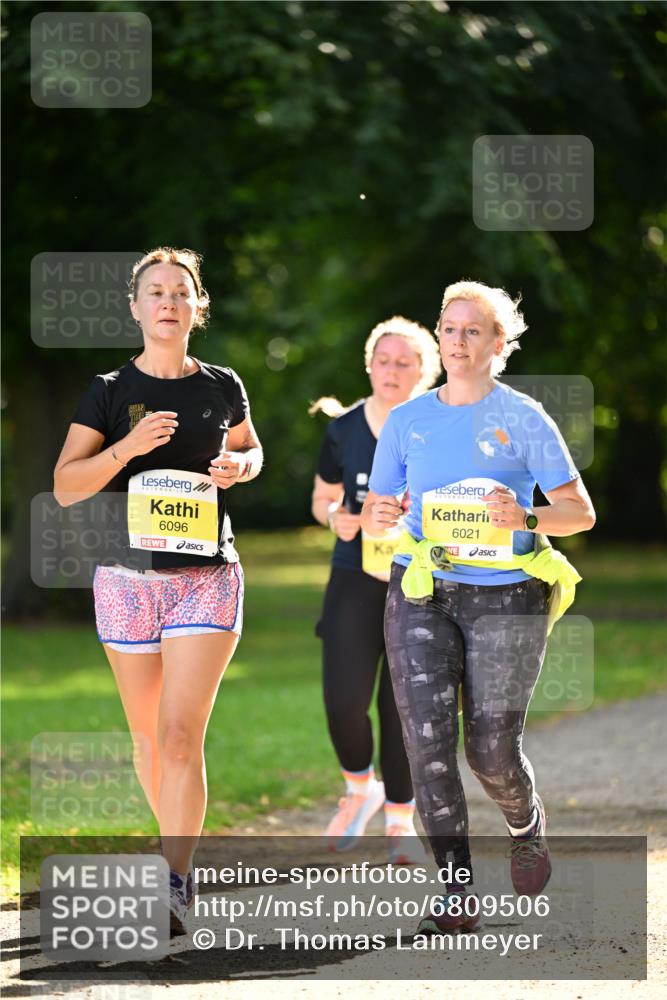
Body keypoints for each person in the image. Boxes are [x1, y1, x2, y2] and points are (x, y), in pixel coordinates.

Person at [361, 280, 594, 933]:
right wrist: (378, 515)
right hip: (423, 589)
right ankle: (456, 889)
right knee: (427, 744)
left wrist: (526, 513)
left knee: (489, 752)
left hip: (508, 596)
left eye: (472, 330)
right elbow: (380, 514)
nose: (457, 341)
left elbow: (579, 512)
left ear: (498, 343)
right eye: (448, 328)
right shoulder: (408, 419)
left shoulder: (523, 417)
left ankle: (524, 823)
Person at [53, 247, 263, 934]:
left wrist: (240, 465)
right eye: (155, 291)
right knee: (146, 738)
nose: (168, 301)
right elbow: (65, 485)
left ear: (196, 306)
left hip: (205, 578)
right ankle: (174, 858)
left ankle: (172, 880)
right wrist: (129, 446)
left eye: (181, 291)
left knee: (179, 737)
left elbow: (251, 449)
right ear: (136, 306)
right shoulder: (109, 390)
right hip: (125, 581)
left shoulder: (222, 384)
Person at [311, 316, 441, 863]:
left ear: (424, 371)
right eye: (383, 360)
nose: (391, 370)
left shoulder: (440, 426)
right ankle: (357, 787)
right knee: (343, 701)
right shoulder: (342, 429)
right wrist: (335, 519)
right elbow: (322, 499)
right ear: (369, 365)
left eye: (404, 362)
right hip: (354, 578)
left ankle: (399, 821)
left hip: (420, 580)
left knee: (402, 707)